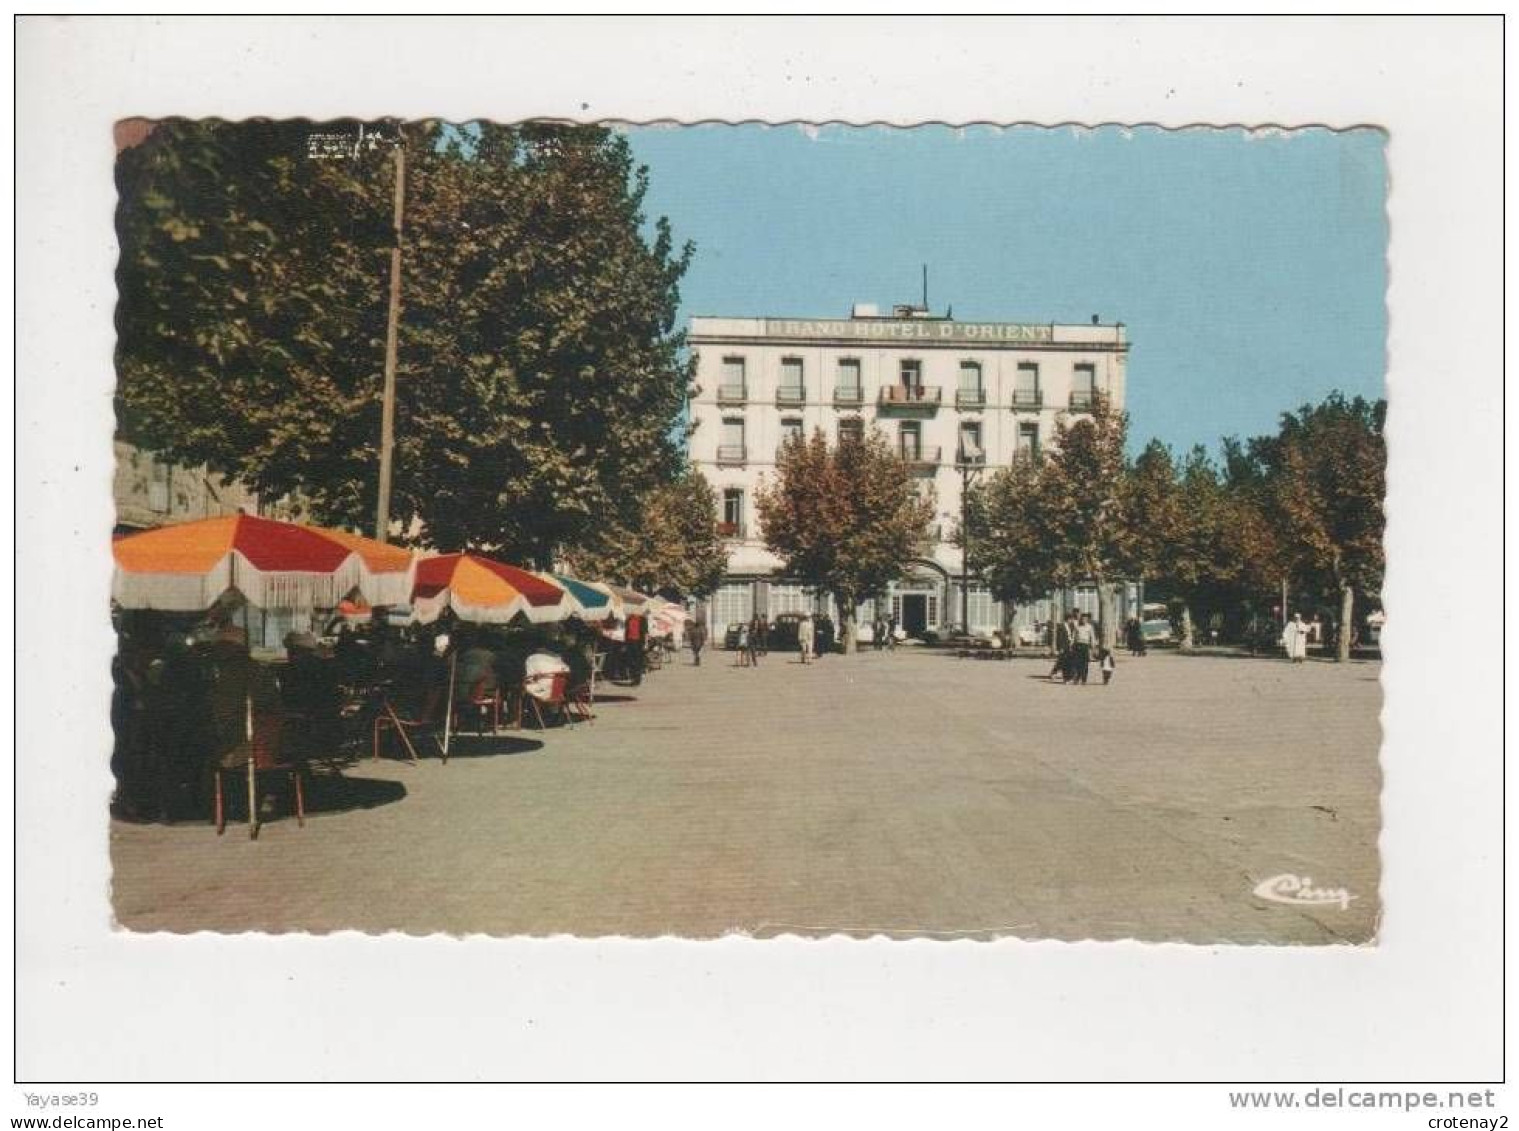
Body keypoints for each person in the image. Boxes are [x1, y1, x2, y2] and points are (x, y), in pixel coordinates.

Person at [1050, 610, 1076, 681]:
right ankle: (1054, 672)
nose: (1072, 620)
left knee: (1068, 661)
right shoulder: (1061, 626)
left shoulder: (1071, 626)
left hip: (1070, 645)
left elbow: (1071, 635)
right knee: (1061, 661)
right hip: (1064, 646)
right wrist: (1060, 647)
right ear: (1068, 619)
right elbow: (1060, 638)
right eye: (1071, 619)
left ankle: (1071, 674)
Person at [1071, 613, 1096, 685]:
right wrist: (1072, 645)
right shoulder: (1077, 627)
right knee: (1077, 663)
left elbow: (1092, 637)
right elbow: (1073, 637)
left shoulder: (1089, 627)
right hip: (1078, 645)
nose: (1083, 620)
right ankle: (1077, 678)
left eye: (1085, 619)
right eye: (1082, 619)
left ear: (1087, 620)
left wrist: (1093, 647)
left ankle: (1084, 679)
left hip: (1085, 646)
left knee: (1085, 664)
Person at [625, 611, 646, 685]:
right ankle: (633, 677)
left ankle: (637, 679)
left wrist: (644, 644)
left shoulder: (642, 619)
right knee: (631, 661)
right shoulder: (629, 618)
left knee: (638, 661)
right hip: (630, 641)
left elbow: (645, 632)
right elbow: (626, 630)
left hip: (638, 642)